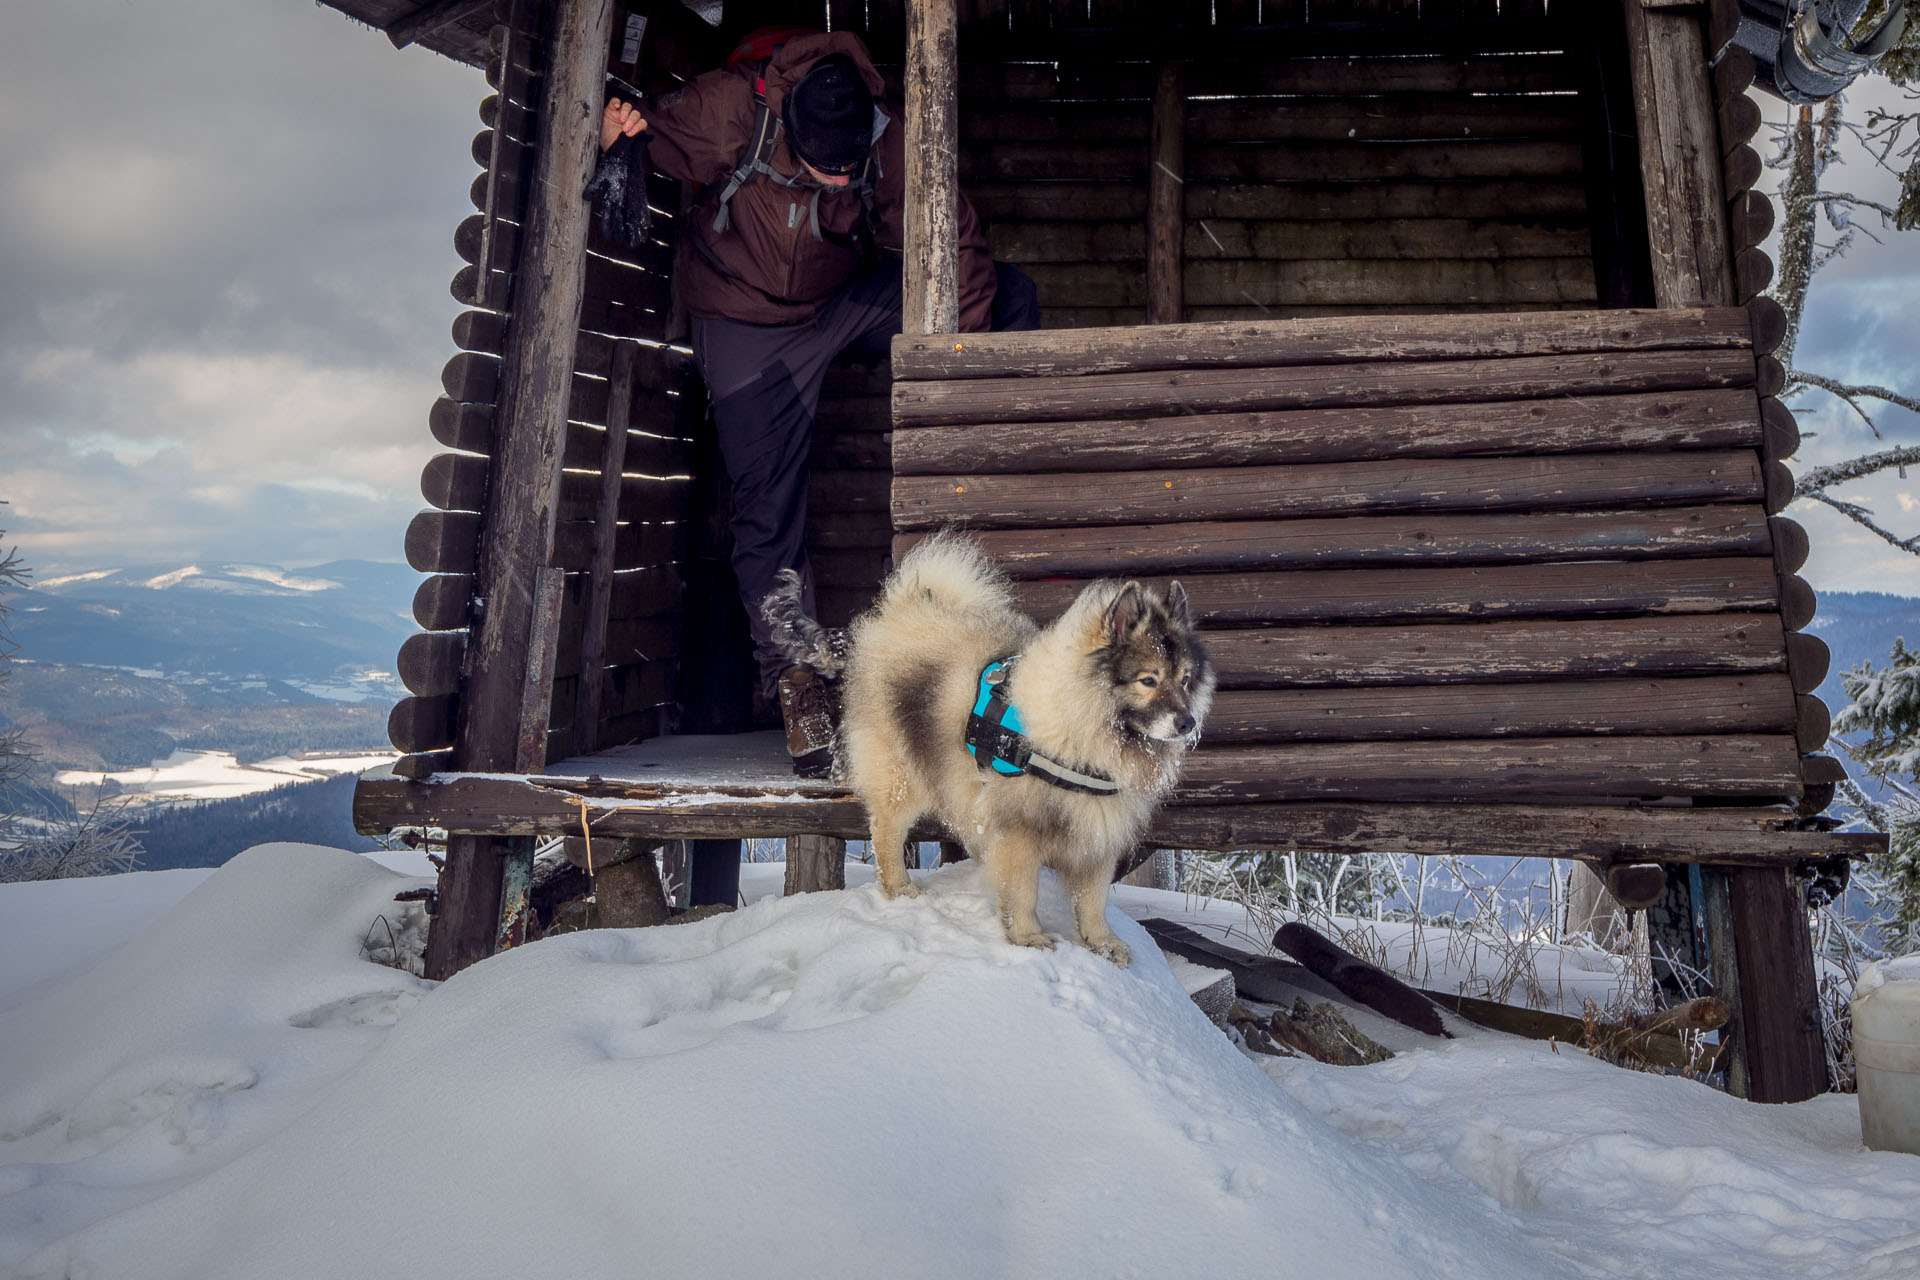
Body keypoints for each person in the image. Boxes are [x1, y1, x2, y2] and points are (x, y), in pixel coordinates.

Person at [596, 29, 1037, 717]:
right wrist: (612, 129)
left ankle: (997, 496)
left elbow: (953, 246)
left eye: (846, 169)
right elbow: (638, 123)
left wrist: (963, 382)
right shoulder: (729, 111)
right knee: (766, 509)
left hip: (840, 303)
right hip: (744, 321)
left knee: (1006, 295)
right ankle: (799, 685)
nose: (838, 178)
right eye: (822, 168)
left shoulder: (886, 134)